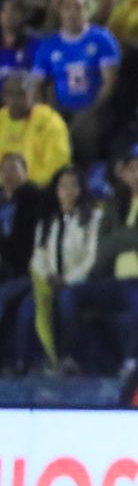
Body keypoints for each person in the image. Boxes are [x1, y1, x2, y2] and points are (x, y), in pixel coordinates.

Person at [59, 144, 138, 375]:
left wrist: (122, 238)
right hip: (114, 280)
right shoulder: (116, 204)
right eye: (132, 168)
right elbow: (104, 247)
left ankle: (132, 360)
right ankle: (70, 358)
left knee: (137, 292)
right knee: (71, 293)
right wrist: (130, 237)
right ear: (123, 173)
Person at [17, 165, 100, 373]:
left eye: (74, 185)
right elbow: (38, 255)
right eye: (63, 186)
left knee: (66, 300)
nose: (68, 191)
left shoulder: (92, 218)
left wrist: (69, 280)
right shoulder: (47, 222)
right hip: (50, 281)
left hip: (79, 281)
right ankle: (24, 363)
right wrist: (49, 277)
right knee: (27, 310)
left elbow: (91, 256)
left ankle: (67, 357)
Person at [32, 0, 120, 165]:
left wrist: (91, 109)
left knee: (85, 128)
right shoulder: (49, 45)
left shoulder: (102, 39)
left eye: (78, 7)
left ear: (86, 10)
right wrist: (46, 114)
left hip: (94, 107)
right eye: (67, 7)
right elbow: (36, 85)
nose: (72, 12)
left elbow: (109, 82)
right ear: (60, 11)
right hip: (60, 109)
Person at [0, 151, 40, 363]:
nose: (9, 174)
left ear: (25, 173)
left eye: (14, 169)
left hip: (26, 271)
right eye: (5, 169)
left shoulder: (35, 200)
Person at [0, 70, 70, 188]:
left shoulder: (50, 122)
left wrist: (24, 185)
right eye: (9, 94)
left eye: (20, 94)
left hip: (37, 191)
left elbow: (56, 169)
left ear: (34, 95)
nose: (13, 100)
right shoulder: (2, 118)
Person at [0, 0, 40, 82]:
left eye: (14, 11)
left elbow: (38, 76)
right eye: (5, 11)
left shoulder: (33, 44)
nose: (9, 15)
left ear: (22, 16)